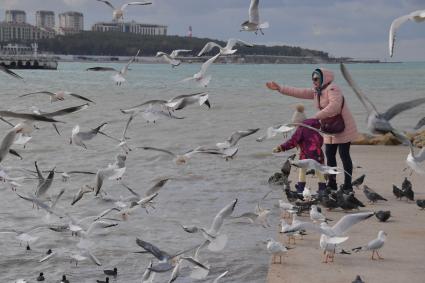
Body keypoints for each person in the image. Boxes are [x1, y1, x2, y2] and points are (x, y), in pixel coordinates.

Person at [266, 68, 358, 191]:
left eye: (317, 78)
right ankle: (332, 183)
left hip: (343, 127)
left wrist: (315, 117)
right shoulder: (317, 91)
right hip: (328, 128)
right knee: (330, 155)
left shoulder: (333, 88)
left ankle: (348, 185)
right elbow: (299, 92)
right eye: (313, 78)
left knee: (344, 155)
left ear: (324, 78)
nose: (314, 81)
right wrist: (280, 88)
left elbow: (335, 107)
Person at [273, 118, 326, 194]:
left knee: (302, 170)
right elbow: (321, 140)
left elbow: (292, 141)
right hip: (318, 154)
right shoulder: (315, 129)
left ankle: (301, 189)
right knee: (318, 171)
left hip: (306, 154)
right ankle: (322, 189)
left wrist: (281, 147)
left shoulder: (301, 129)